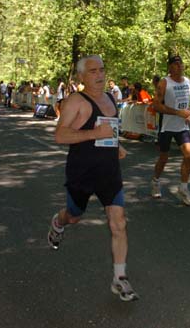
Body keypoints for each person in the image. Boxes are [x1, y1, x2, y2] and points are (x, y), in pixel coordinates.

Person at [46, 55, 138, 302]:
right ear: (82, 77)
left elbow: (110, 129)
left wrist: (116, 145)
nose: (99, 75)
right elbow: (60, 136)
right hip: (82, 172)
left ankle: (120, 278)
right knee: (74, 216)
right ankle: (58, 222)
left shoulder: (110, 98)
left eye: (102, 70)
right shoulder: (76, 101)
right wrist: (95, 133)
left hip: (108, 171)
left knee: (118, 221)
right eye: (93, 71)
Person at [150, 55, 190, 206]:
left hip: (182, 126)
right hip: (167, 127)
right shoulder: (164, 83)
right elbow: (156, 105)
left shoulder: (188, 81)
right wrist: (177, 112)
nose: (179, 65)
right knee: (164, 158)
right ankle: (155, 181)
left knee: (189, 155)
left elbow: (185, 103)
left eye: (180, 63)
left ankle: (183, 188)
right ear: (170, 67)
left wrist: (186, 113)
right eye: (175, 64)